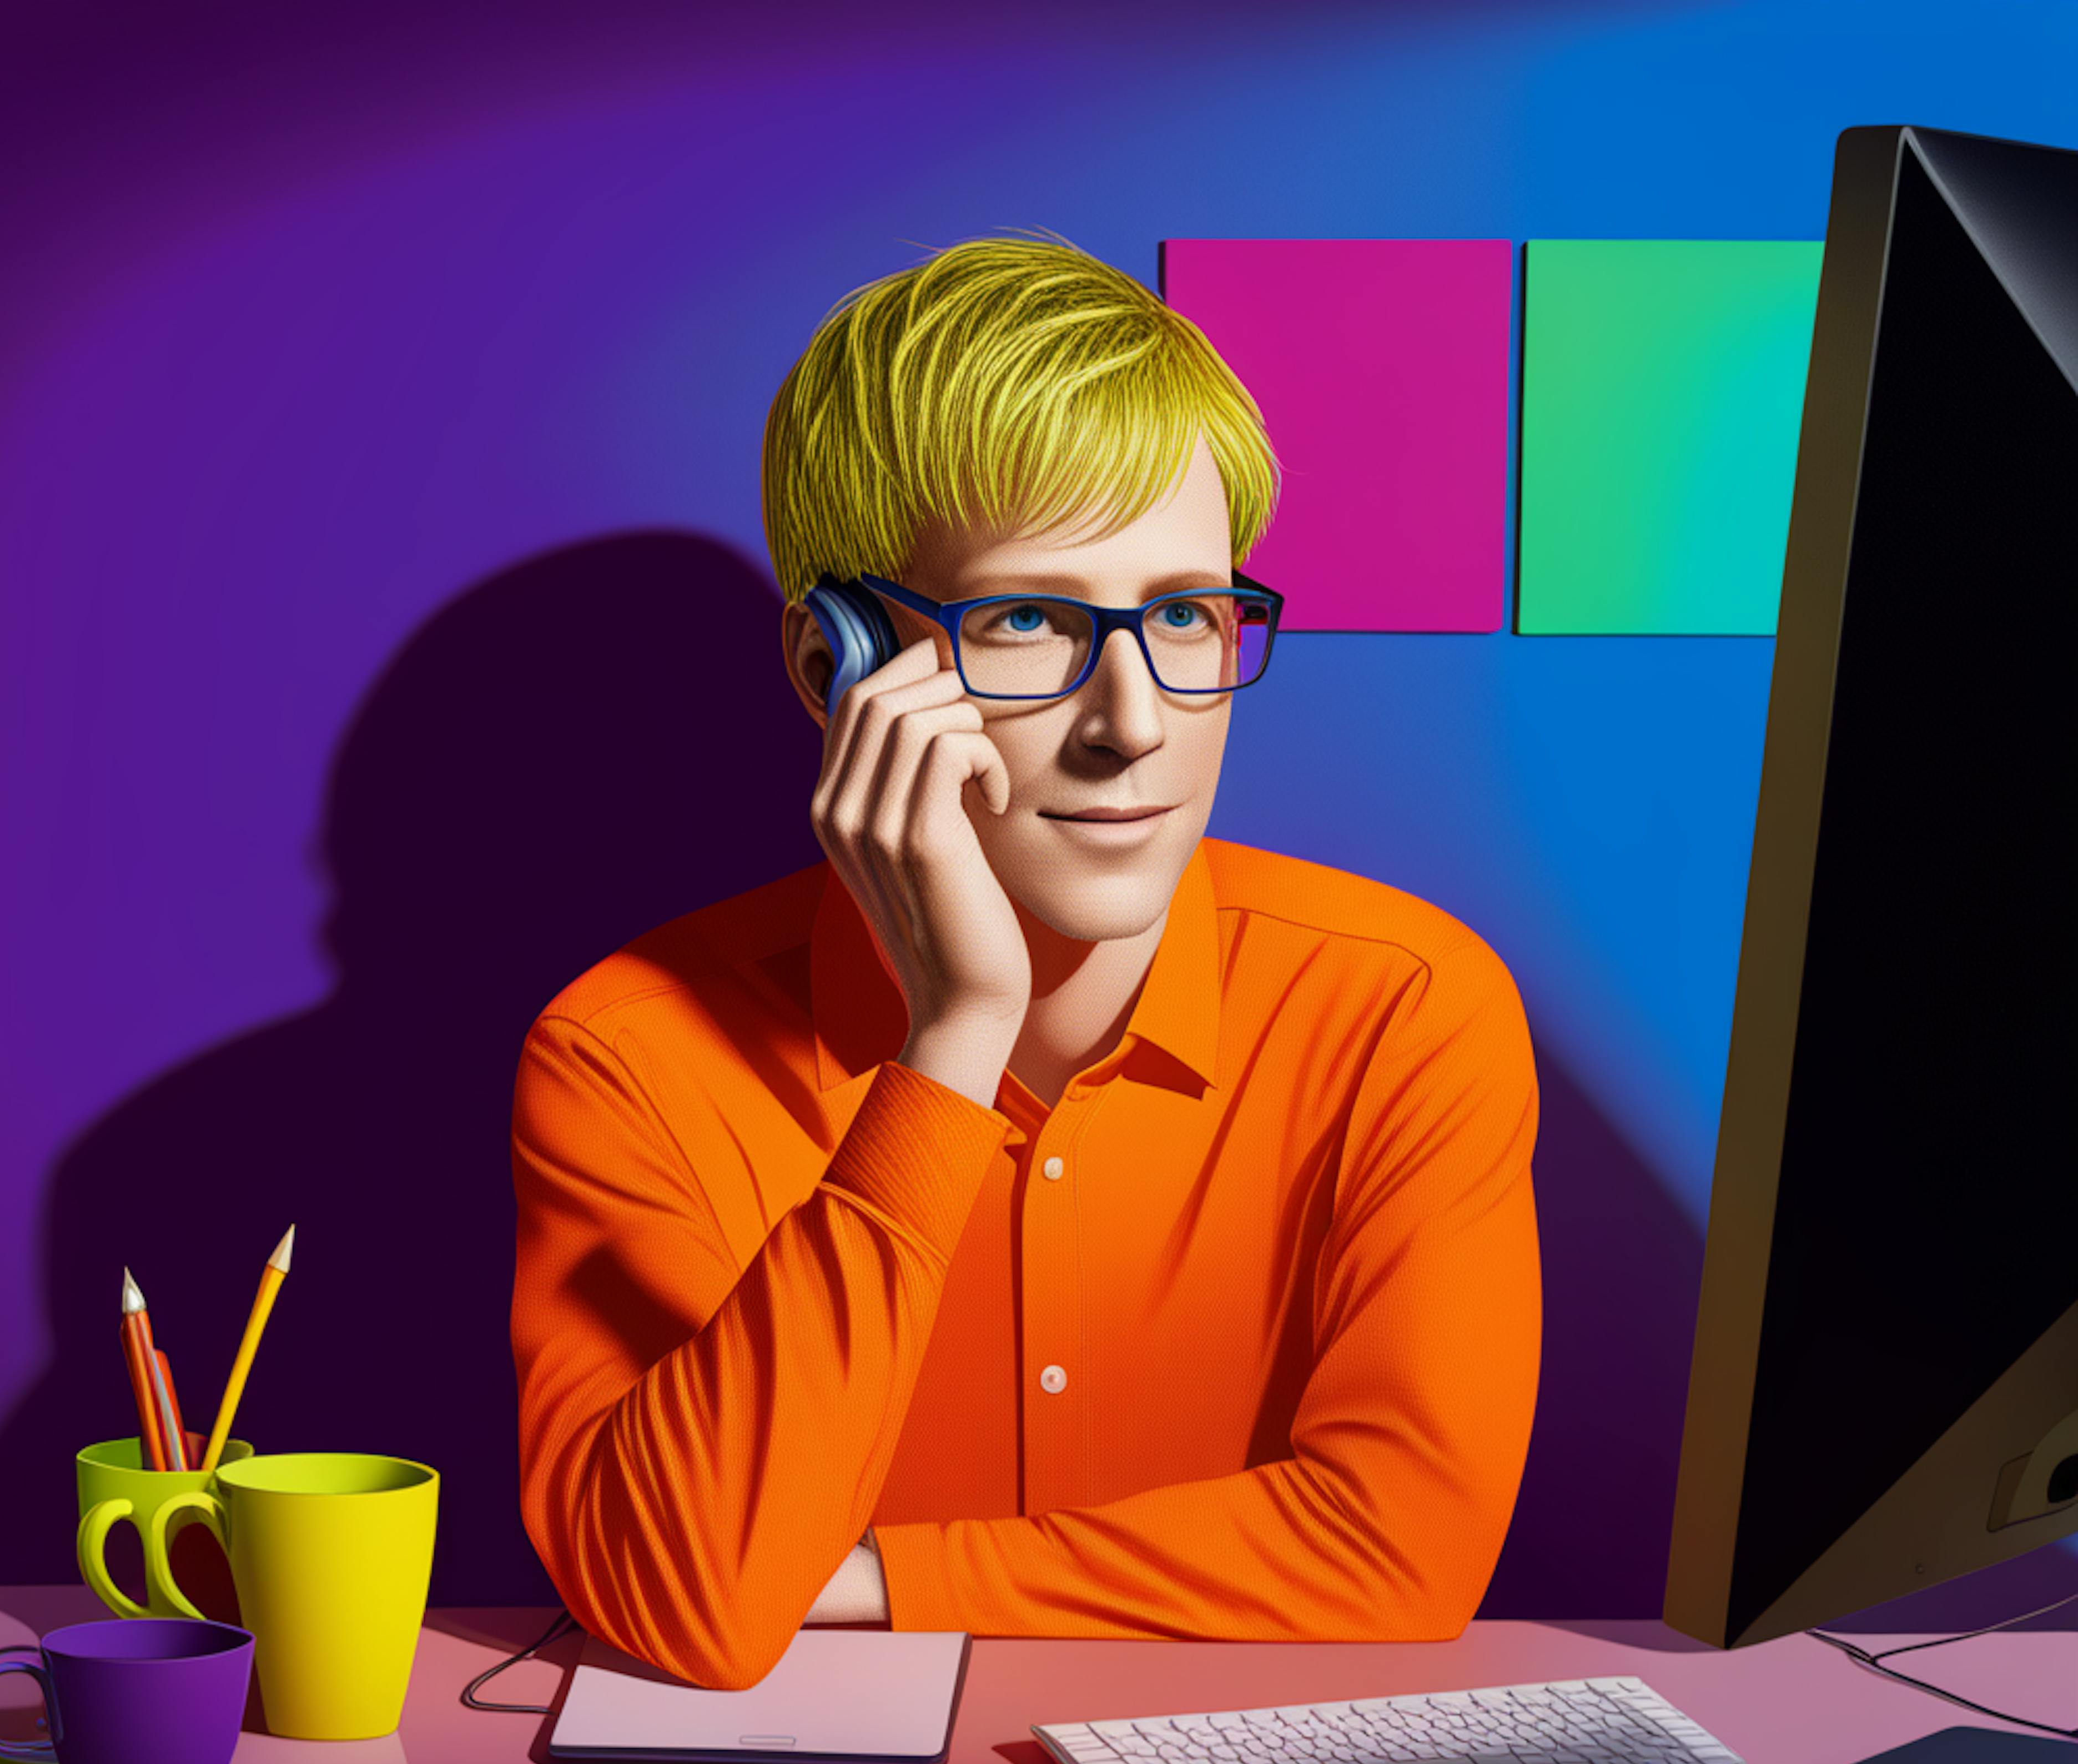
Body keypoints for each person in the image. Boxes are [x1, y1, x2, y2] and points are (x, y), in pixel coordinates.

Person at [510, 235, 1540, 1688]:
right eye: (1031, 623)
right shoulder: (629, 1056)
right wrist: (957, 1039)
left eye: (1185, 612)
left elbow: (1402, 1548)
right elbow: (689, 1602)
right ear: (837, 671)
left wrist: (868, 1578)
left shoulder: (1401, 1008)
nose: (1132, 722)